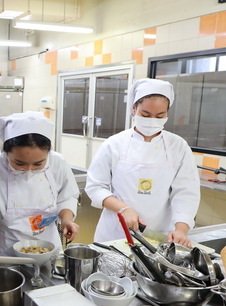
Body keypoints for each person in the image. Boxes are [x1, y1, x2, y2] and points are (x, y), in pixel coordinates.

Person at [84, 78, 200, 247]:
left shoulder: (178, 146)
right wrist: (124, 209)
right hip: (115, 233)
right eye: (145, 115)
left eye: (160, 116)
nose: (152, 120)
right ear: (133, 108)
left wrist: (181, 229)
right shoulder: (114, 144)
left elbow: (186, 192)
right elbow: (95, 187)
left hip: (161, 235)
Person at [0, 111, 80, 273]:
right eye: (19, 163)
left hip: (50, 253)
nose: (28, 170)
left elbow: (67, 196)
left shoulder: (58, 163)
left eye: (38, 164)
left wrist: (66, 219)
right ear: (6, 152)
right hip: (10, 259)